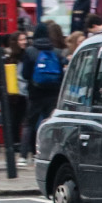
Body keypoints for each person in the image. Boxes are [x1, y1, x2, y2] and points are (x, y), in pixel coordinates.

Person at [20, 22, 67, 164]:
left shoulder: (30, 51)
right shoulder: (57, 52)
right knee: (50, 125)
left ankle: (23, 156)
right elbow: (63, 72)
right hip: (53, 93)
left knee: (29, 124)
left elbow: (25, 74)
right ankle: (48, 155)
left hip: (35, 94)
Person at [4, 30, 30, 155]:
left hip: (26, 91)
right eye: (21, 39)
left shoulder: (28, 54)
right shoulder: (10, 57)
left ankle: (24, 143)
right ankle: (14, 142)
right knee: (15, 119)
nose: (24, 42)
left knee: (26, 120)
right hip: (14, 93)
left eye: (24, 39)